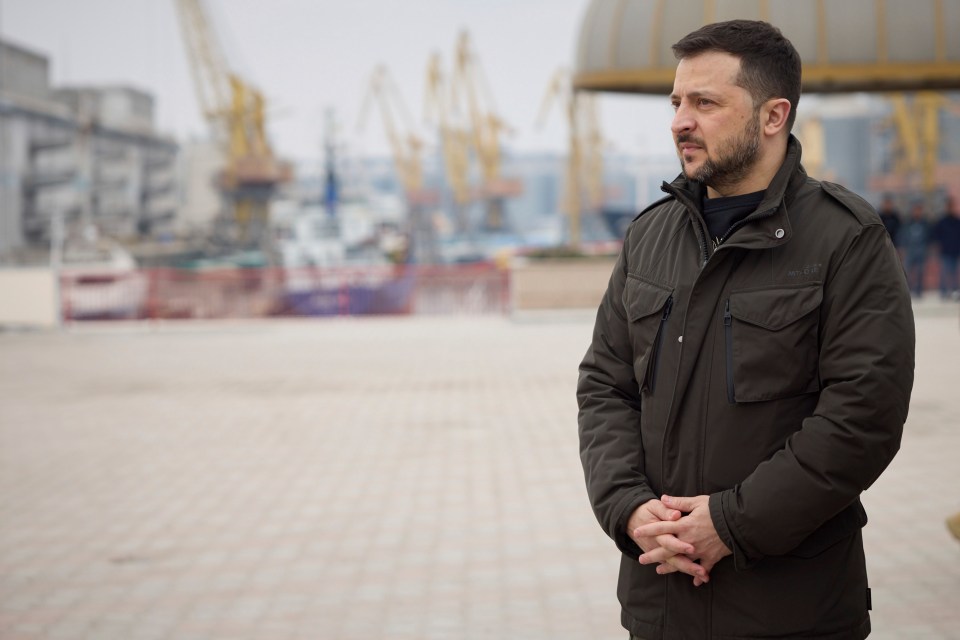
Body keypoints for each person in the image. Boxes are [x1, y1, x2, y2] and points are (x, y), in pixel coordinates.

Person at [577, 20, 915, 640]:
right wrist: (627, 508)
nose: (681, 120)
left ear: (772, 115)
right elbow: (605, 384)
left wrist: (730, 523)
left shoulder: (845, 238)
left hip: (791, 610)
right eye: (677, 102)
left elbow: (862, 417)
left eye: (705, 102)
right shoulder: (649, 237)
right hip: (661, 605)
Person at [898, 201, 931, 297]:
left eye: (919, 210)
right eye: (915, 210)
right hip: (909, 251)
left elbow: (929, 237)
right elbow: (902, 236)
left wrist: (927, 249)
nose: (917, 212)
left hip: (921, 250)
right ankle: (907, 290)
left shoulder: (925, 223)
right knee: (907, 271)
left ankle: (919, 291)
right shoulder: (907, 223)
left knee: (920, 272)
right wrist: (902, 248)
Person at [932, 195, 960, 300]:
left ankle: (956, 292)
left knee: (956, 274)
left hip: (957, 251)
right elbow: (936, 237)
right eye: (948, 206)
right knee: (944, 273)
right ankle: (943, 292)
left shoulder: (958, 221)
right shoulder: (941, 222)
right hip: (945, 251)